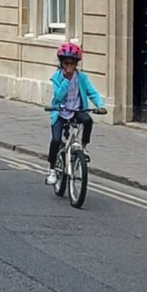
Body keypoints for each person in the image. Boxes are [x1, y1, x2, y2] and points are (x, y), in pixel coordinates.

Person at [45, 43, 107, 186]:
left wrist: (100, 105)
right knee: (55, 140)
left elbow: (92, 92)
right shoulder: (57, 78)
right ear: (61, 63)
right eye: (66, 63)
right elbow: (57, 98)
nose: (69, 67)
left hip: (76, 110)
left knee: (88, 121)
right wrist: (66, 80)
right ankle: (52, 169)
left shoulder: (81, 78)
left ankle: (84, 147)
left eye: (72, 64)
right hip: (60, 113)